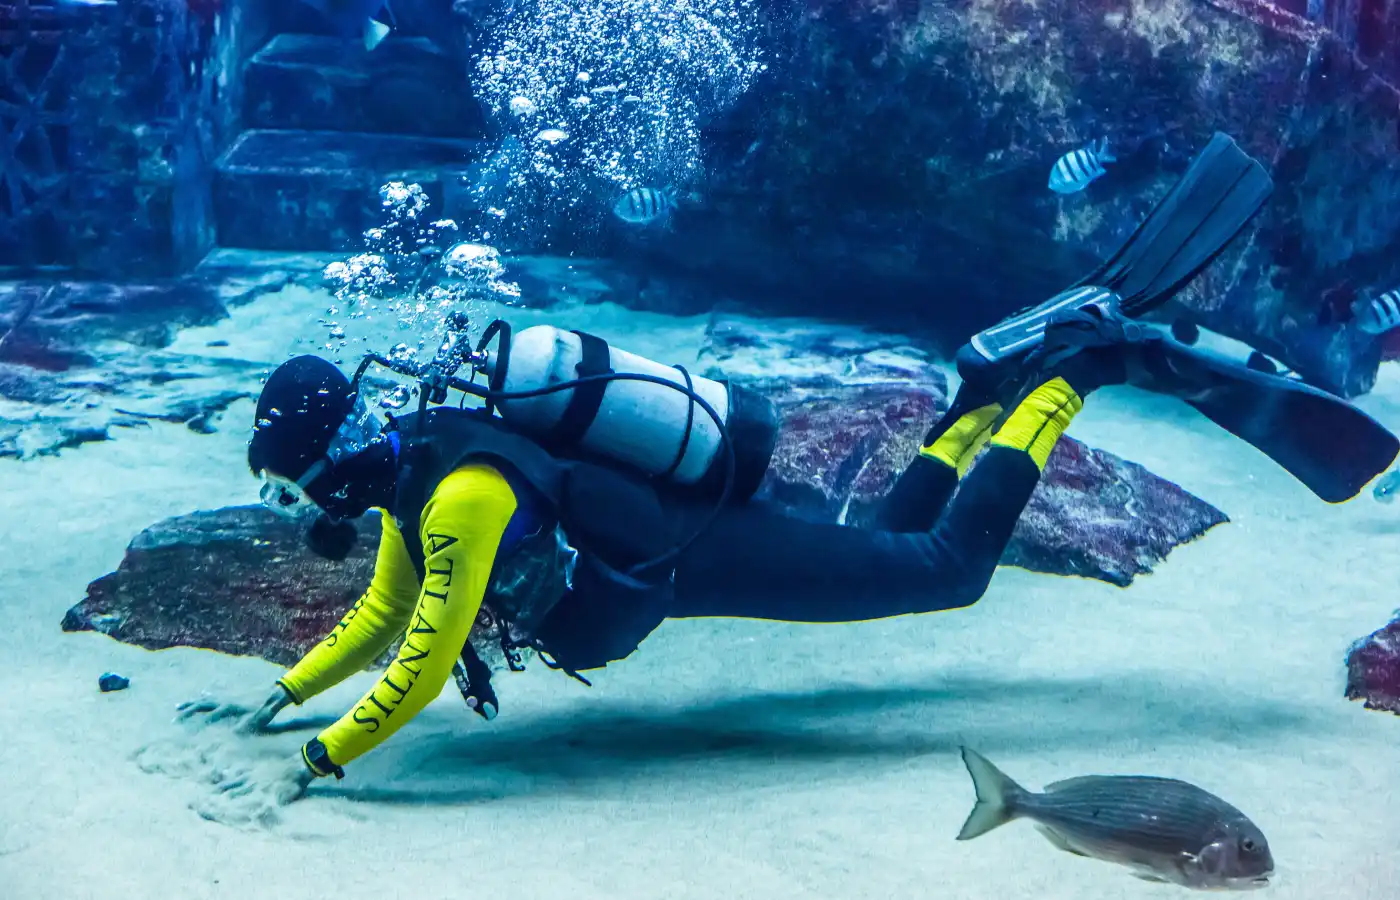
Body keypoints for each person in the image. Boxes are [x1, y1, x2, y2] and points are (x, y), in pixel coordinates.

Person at [179, 131, 1293, 810]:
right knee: (885, 555)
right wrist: (272, 704)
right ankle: (970, 404)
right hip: (681, 541)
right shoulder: (416, 468)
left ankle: (1068, 381)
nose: (291, 514)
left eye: (287, 491)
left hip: (696, 551)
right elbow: (384, 611)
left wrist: (314, 764)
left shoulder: (458, 493)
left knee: (944, 572)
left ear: (327, 466)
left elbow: (422, 662)